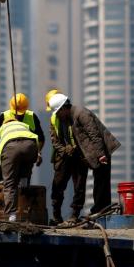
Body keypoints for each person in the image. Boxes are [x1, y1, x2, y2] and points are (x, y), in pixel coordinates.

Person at [50, 93, 120, 214]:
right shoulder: (68, 118)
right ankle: (99, 210)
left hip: (101, 151)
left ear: (63, 108)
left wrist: (101, 155)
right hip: (92, 153)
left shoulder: (81, 113)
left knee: (101, 184)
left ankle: (101, 210)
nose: (57, 115)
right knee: (99, 183)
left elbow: (95, 135)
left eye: (57, 112)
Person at [45, 89, 87, 224]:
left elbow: (84, 137)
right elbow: (54, 141)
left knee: (79, 185)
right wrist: (64, 150)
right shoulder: (54, 119)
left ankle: (75, 214)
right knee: (58, 184)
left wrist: (75, 149)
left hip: (79, 156)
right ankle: (57, 216)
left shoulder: (75, 115)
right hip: (63, 156)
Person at [0, 115, 40, 221]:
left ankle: (12, 215)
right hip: (30, 146)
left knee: (9, 183)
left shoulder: (2, 129)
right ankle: (24, 184)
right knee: (26, 169)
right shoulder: (24, 125)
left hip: (11, 147)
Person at [0, 93, 44, 167]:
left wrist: (38, 153)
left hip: (27, 154)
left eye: (21, 114)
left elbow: (41, 138)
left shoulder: (32, 116)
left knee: (24, 177)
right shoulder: (4, 116)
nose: (18, 115)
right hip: (8, 153)